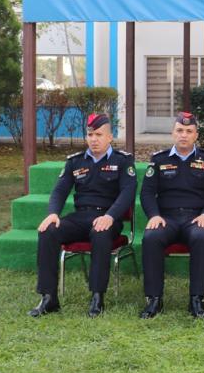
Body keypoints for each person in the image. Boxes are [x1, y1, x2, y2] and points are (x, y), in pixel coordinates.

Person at [30, 113, 136, 318]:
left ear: (110, 137)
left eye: (99, 134)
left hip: (108, 218)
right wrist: (53, 214)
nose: (94, 139)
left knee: (100, 233)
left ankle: (97, 296)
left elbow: (128, 193)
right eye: (90, 134)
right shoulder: (75, 161)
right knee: (48, 231)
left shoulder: (122, 161)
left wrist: (110, 216)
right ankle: (49, 297)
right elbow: (60, 190)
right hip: (80, 217)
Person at [138, 112, 204, 319]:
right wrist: (153, 215)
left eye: (189, 131)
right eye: (179, 130)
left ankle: (196, 299)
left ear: (196, 135)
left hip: (196, 218)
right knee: (151, 237)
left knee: (201, 237)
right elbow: (147, 192)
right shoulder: (159, 160)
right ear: (173, 133)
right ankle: (154, 299)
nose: (184, 135)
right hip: (166, 218)